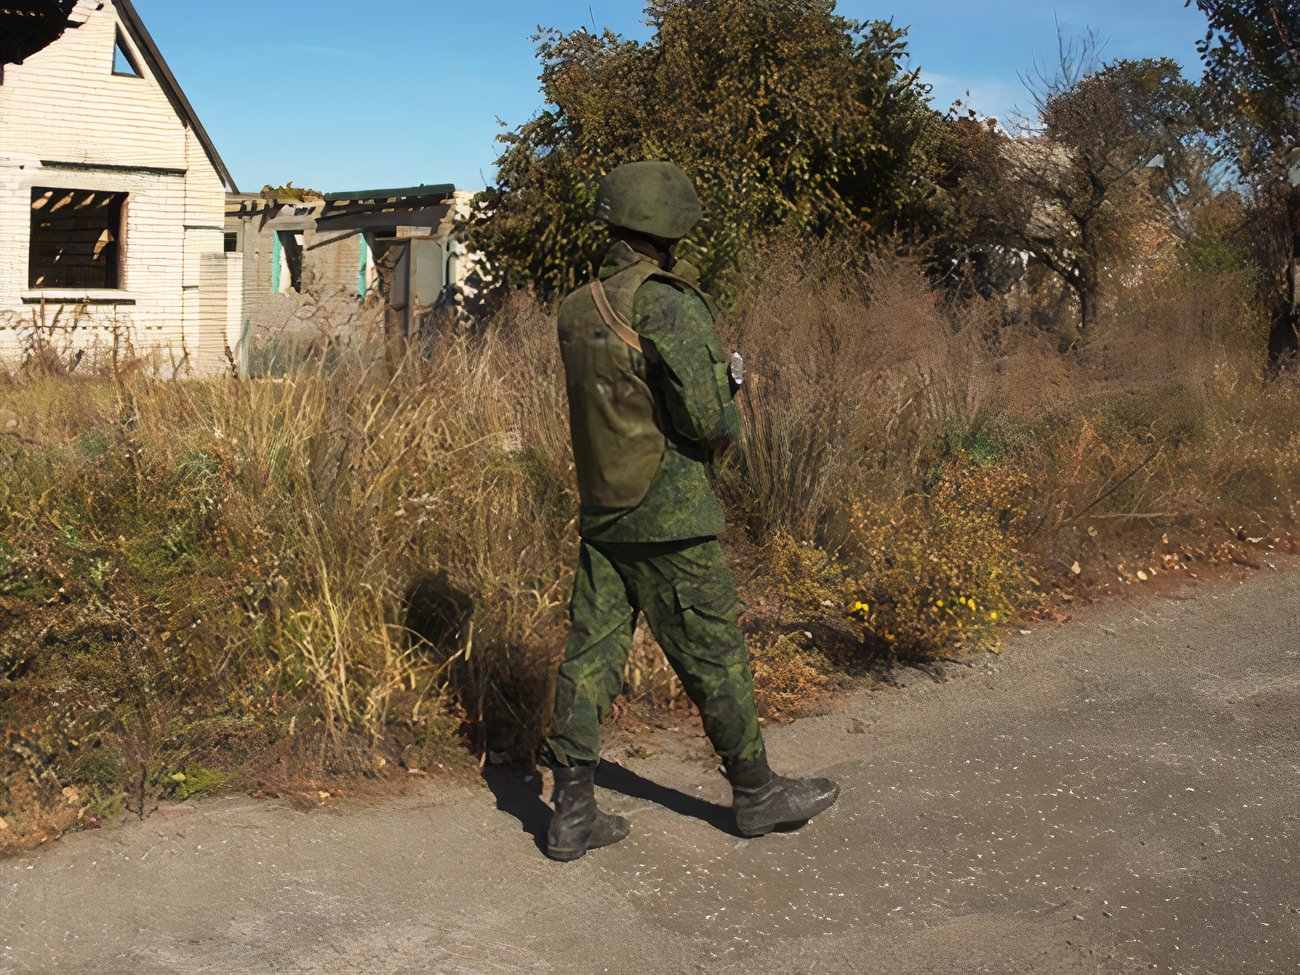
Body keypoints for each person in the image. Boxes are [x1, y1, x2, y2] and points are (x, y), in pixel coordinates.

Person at [541, 160, 839, 861]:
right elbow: (707, 419)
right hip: (672, 514)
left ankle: (572, 811)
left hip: (605, 509)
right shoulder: (670, 304)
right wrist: (731, 405)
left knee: (589, 654)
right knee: (715, 656)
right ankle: (758, 793)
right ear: (668, 226)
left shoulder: (577, 306)